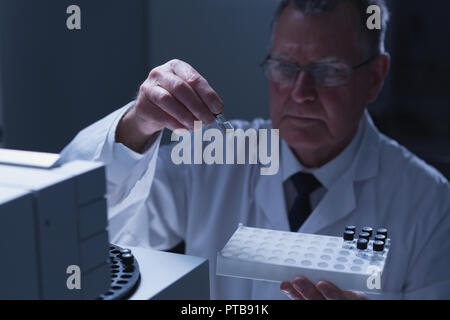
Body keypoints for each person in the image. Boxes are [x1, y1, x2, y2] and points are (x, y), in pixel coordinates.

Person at [60, 0, 450, 300]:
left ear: (375, 77)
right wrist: (138, 125)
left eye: (329, 70)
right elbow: (81, 223)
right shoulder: (213, 156)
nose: (301, 94)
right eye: (284, 67)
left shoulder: (428, 200)